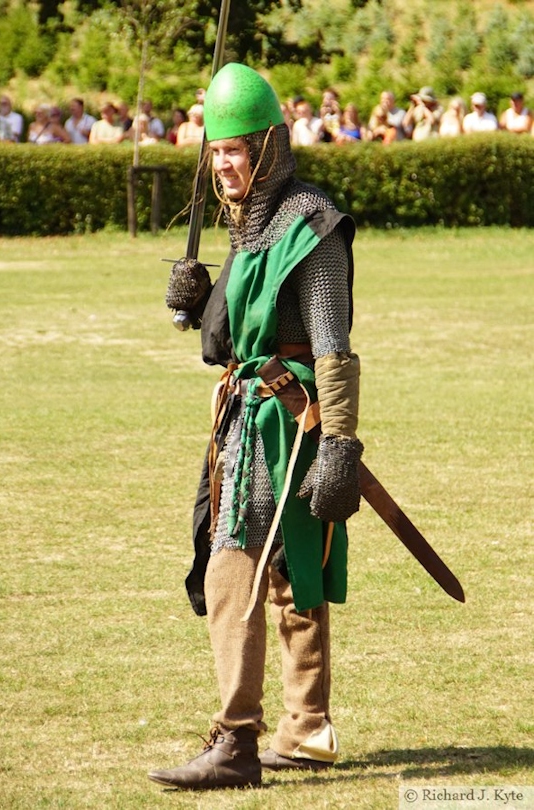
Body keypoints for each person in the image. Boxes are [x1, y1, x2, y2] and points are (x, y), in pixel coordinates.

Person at [148, 62, 363, 791]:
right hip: (247, 413)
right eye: (215, 150)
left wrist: (340, 443)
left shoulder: (310, 225)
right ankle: (307, 729)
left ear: (269, 146)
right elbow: (238, 330)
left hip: (290, 421)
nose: (223, 162)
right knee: (283, 567)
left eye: (235, 148)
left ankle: (237, 740)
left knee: (235, 562)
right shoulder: (247, 226)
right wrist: (197, 303)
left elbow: (331, 347)